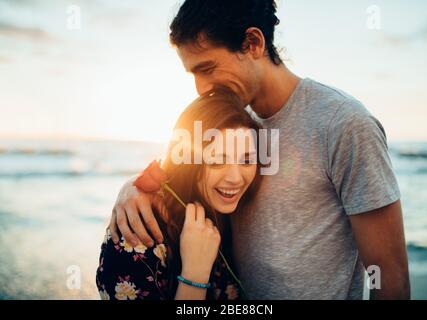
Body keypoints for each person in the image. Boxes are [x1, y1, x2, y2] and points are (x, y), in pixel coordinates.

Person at [107, 0, 410, 299]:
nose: (201, 88)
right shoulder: (235, 121)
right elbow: (184, 165)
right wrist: (136, 187)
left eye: (208, 68)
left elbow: (391, 280)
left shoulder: (343, 124)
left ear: (253, 43)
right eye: (193, 74)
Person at [97, 89, 262, 300]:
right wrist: (195, 273)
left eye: (247, 160)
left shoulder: (233, 211)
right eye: (217, 160)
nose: (236, 178)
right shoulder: (139, 231)